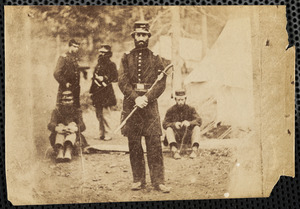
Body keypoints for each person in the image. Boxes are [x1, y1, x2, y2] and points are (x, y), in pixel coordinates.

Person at [118, 21, 170, 193]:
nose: (141, 38)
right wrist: (135, 98)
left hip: (149, 107)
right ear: (134, 37)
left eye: (144, 35)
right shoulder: (126, 57)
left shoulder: (156, 58)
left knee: (154, 143)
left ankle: (158, 181)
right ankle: (138, 179)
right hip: (131, 105)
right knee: (134, 143)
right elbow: (122, 81)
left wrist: (146, 97)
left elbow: (161, 82)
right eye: (138, 35)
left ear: (148, 36)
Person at [48, 91, 88, 162]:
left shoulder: (77, 111)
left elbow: (82, 125)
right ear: (61, 102)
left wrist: (74, 128)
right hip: (60, 134)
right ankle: (60, 151)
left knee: (72, 125)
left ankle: (68, 151)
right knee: (60, 127)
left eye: (69, 100)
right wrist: (57, 128)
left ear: (72, 101)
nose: (67, 102)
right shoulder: (56, 111)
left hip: (73, 135)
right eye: (65, 100)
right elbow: (51, 123)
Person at [89, 44, 118, 141]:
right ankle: (101, 133)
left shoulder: (111, 65)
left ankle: (108, 133)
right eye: (100, 52)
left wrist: (104, 78)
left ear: (108, 54)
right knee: (98, 114)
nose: (101, 54)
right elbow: (94, 78)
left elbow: (115, 77)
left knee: (105, 113)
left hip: (106, 91)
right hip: (97, 92)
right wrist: (92, 90)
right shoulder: (98, 65)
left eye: (103, 52)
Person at [163, 89, 202, 160]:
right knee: (168, 129)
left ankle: (194, 150)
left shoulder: (191, 109)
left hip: (187, 136)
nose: (180, 102)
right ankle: (174, 151)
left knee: (197, 128)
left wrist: (189, 123)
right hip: (176, 137)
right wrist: (174, 124)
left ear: (185, 99)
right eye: (178, 100)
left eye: (182, 99)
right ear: (175, 99)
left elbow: (199, 120)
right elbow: (164, 123)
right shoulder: (171, 110)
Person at [54, 39, 86, 108]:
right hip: (65, 89)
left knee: (75, 110)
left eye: (77, 47)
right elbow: (56, 73)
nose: (76, 49)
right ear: (70, 46)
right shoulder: (63, 58)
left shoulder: (74, 58)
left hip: (75, 89)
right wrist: (65, 83)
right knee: (64, 110)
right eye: (74, 46)